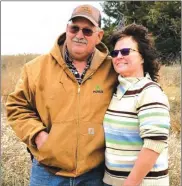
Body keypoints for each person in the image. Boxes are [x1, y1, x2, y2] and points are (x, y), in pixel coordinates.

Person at [6, 4, 118, 186]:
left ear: (99, 36)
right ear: (67, 29)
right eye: (74, 28)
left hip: (94, 174)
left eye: (87, 31)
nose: (79, 35)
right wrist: (38, 135)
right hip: (47, 173)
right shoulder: (35, 68)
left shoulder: (113, 69)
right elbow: (16, 107)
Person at [103, 24, 170, 186]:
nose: (118, 56)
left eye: (126, 51)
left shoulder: (149, 92)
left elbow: (155, 143)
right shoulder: (117, 91)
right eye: (115, 53)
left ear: (142, 56)